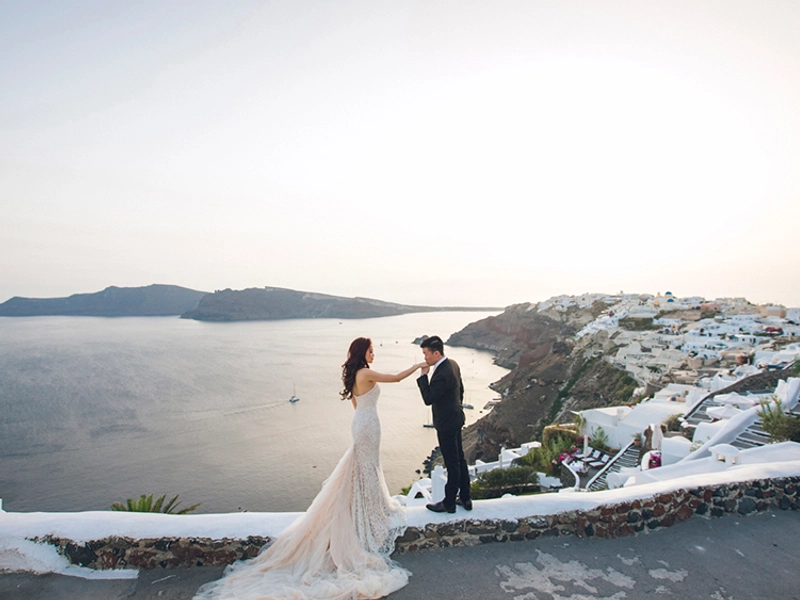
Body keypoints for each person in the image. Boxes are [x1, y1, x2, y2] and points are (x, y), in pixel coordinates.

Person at [194, 337, 425, 600]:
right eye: (371, 351)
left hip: (361, 421)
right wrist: (418, 366)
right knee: (367, 468)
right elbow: (395, 378)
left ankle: (368, 510)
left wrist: (364, 419)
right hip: (369, 424)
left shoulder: (354, 375)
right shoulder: (366, 372)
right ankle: (372, 513)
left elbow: (356, 405)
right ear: (363, 353)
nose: (374, 355)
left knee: (362, 468)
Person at [416, 335, 472, 514]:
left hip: (446, 423)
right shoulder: (453, 365)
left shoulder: (441, 373)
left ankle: (448, 503)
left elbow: (429, 399)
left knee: (452, 462)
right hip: (456, 418)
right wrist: (455, 408)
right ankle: (465, 497)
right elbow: (460, 389)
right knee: (460, 459)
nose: (424, 358)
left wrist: (423, 377)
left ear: (436, 353)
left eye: (426, 354)